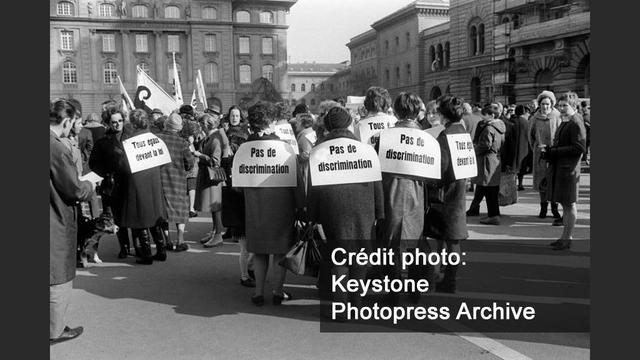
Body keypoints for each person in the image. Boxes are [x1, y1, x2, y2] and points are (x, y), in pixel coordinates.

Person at [307, 106, 384, 317]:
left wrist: (311, 216)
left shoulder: (319, 150)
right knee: (359, 257)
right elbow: (376, 183)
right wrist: (379, 212)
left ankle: (340, 308)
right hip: (363, 208)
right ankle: (356, 304)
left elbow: (312, 188)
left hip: (332, 209)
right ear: (349, 124)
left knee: (338, 258)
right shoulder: (365, 149)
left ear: (328, 126)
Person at [243, 102, 302, 306]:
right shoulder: (285, 148)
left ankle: (258, 293)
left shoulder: (245, 149)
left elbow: (237, 184)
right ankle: (278, 292)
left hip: (255, 205)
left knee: (259, 251)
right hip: (281, 205)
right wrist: (301, 205)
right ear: (272, 122)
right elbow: (297, 181)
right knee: (279, 251)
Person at [50, 99, 95, 345]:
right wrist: (90, 185)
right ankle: (54, 330)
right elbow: (75, 190)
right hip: (54, 218)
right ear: (66, 121)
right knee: (58, 277)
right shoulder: (56, 148)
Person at [379, 92, 430, 304]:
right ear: (417, 112)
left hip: (391, 191)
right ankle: (415, 290)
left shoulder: (385, 136)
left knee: (392, 244)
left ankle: (393, 294)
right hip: (418, 194)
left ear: (397, 111)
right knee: (415, 241)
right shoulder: (428, 137)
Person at [423, 96, 469, 293]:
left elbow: (439, 168)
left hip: (445, 193)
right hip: (458, 189)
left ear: (443, 114)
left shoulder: (446, 135)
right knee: (453, 239)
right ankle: (450, 278)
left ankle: (448, 281)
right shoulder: (462, 131)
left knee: (449, 239)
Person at [118, 109, 168, 264]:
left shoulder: (129, 142)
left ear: (133, 123)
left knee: (140, 217)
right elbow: (164, 161)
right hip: (153, 179)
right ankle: (161, 250)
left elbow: (123, 166)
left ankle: (146, 254)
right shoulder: (155, 138)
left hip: (137, 181)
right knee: (154, 216)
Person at [543, 92, 587, 250]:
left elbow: (579, 148)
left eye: (564, 106)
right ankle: (564, 237)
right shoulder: (567, 120)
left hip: (568, 170)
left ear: (573, 106)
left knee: (569, 204)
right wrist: (550, 150)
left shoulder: (576, 121)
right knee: (565, 204)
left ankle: (567, 238)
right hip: (562, 168)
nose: (561, 108)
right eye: (559, 105)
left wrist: (554, 151)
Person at [89, 106, 134, 258]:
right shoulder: (102, 142)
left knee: (133, 215)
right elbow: (93, 163)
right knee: (118, 217)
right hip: (112, 184)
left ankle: (139, 246)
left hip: (131, 182)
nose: (118, 124)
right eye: (114, 122)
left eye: (120, 121)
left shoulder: (132, 137)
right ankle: (124, 247)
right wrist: (107, 171)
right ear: (108, 123)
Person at [220, 105, 255, 287]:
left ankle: (249, 270)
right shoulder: (224, 131)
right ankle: (245, 274)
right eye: (232, 115)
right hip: (231, 174)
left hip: (244, 175)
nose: (234, 118)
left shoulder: (245, 133)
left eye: (237, 115)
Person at [157, 113, 194, 252]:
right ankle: (180, 240)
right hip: (178, 180)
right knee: (180, 209)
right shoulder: (183, 143)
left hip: (161, 179)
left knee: (163, 210)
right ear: (178, 128)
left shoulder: (157, 139)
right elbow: (190, 163)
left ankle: (167, 240)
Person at [466, 104, 506, 225]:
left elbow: (485, 145)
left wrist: (475, 149)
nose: (483, 118)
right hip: (495, 158)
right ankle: (494, 213)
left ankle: (493, 215)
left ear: (492, 115)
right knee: (491, 188)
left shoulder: (489, 128)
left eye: (485, 116)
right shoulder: (501, 127)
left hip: (487, 160)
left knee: (489, 189)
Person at [193, 114, 226, 247]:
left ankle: (218, 234)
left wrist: (200, 155)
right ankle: (214, 232)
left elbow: (215, 162)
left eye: (202, 124)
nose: (200, 127)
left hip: (213, 177)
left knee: (215, 207)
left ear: (207, 125)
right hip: (209, 176)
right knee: (213, 207)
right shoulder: (211, 137)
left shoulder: (215, 139)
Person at [530, 91, 562, 220]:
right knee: (542, 182)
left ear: (552, 104)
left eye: (547, 104)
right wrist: (536, 148)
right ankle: (543, 208)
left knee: (554, 182)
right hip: (540, 155)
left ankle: (555, 209)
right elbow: (530, 136)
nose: (545, 107)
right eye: (543, 104)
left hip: (555, 154)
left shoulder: (557, 116)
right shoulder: (534, 118)